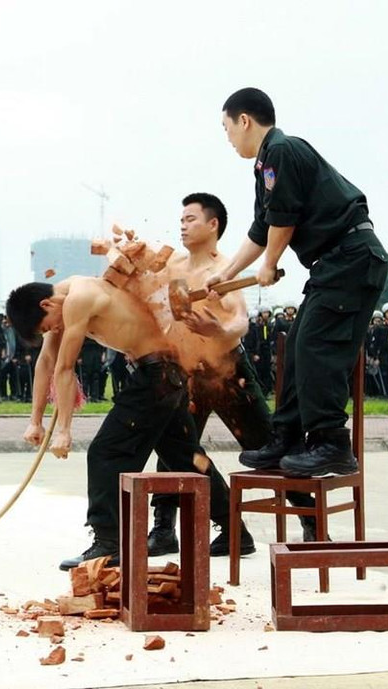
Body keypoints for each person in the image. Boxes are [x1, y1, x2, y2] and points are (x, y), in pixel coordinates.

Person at [7, 277, 247, 571]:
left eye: (48, 326)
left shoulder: (78, 298)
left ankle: (109, 542)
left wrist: (64, 430)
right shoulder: (61, 298)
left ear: (46, 305)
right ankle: (236, 532)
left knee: (106, 453)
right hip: (163, 373)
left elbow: (65, 367)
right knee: (184, 457)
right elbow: (46, 362)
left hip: (158, 374)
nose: (53, 331)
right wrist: (35, 421)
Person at [213, 88, 388, 477]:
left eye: (227, 129)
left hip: (351, 258)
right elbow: (263, 227)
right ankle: (287, 437)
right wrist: (224, 275)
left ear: (244, 121)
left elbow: (284, 220)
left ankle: (331, 444)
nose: (228, 139)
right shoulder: (266, 165)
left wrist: (270, 264)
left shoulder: (282, 150)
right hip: (333, 265)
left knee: (315, 345)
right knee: (294, 347)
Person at [147, 193, 316, 557]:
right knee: (176, 446)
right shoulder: (172, 265)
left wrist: (218, 333)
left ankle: (310, 519)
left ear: (213, 225)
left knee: (266, 446)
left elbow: (239, 321)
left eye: (191, 219)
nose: (182, 224)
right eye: (181, 219)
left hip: (227, 371)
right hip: (186, 371)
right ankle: (167, 529)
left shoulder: (224, 270)